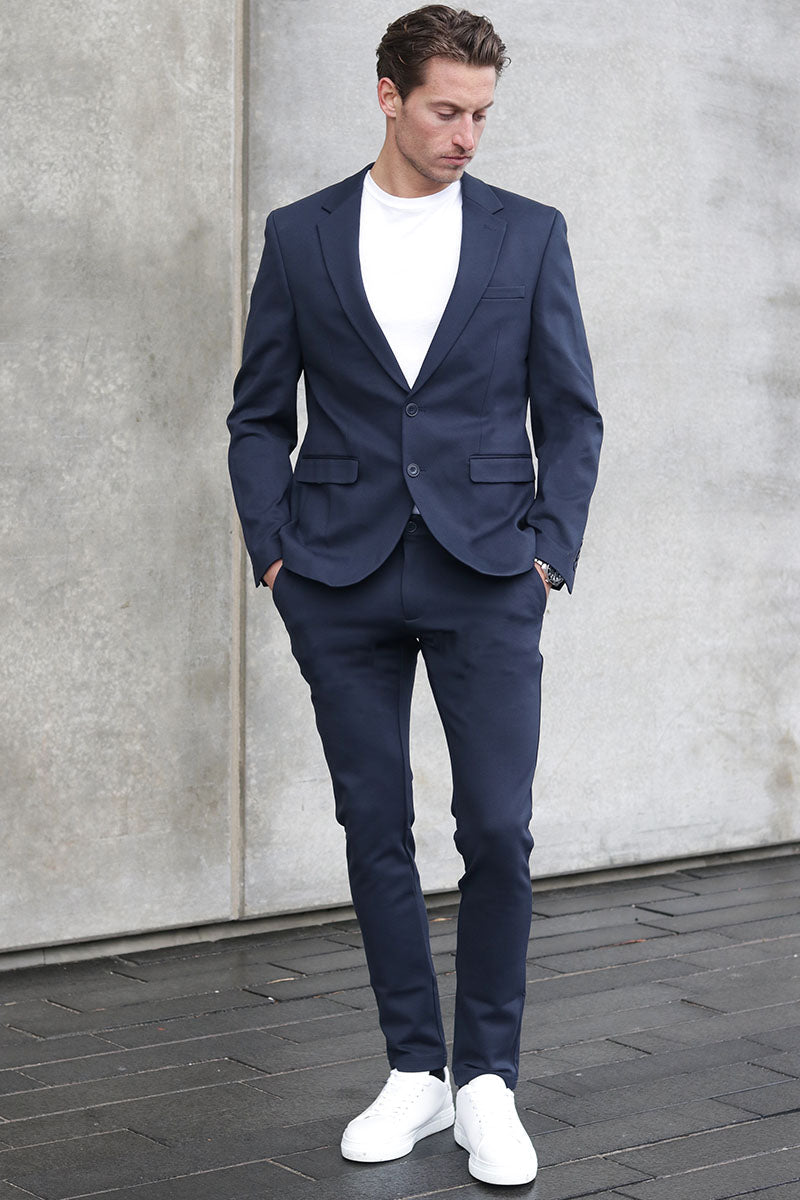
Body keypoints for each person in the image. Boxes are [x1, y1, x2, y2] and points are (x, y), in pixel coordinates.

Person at [227, 4, 602, 1187]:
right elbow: (256, 414)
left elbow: (571, 412)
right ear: (387, 96)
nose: (465, 136)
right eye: (445, 110)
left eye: (481, 115)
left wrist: (547, 550)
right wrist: (273, 553)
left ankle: (486, 1080)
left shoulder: (526, 233)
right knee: (372, 824)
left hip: (487, 569)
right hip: (334, 573)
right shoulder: (300, 236)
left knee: (493, 826)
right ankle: (413, 1071)